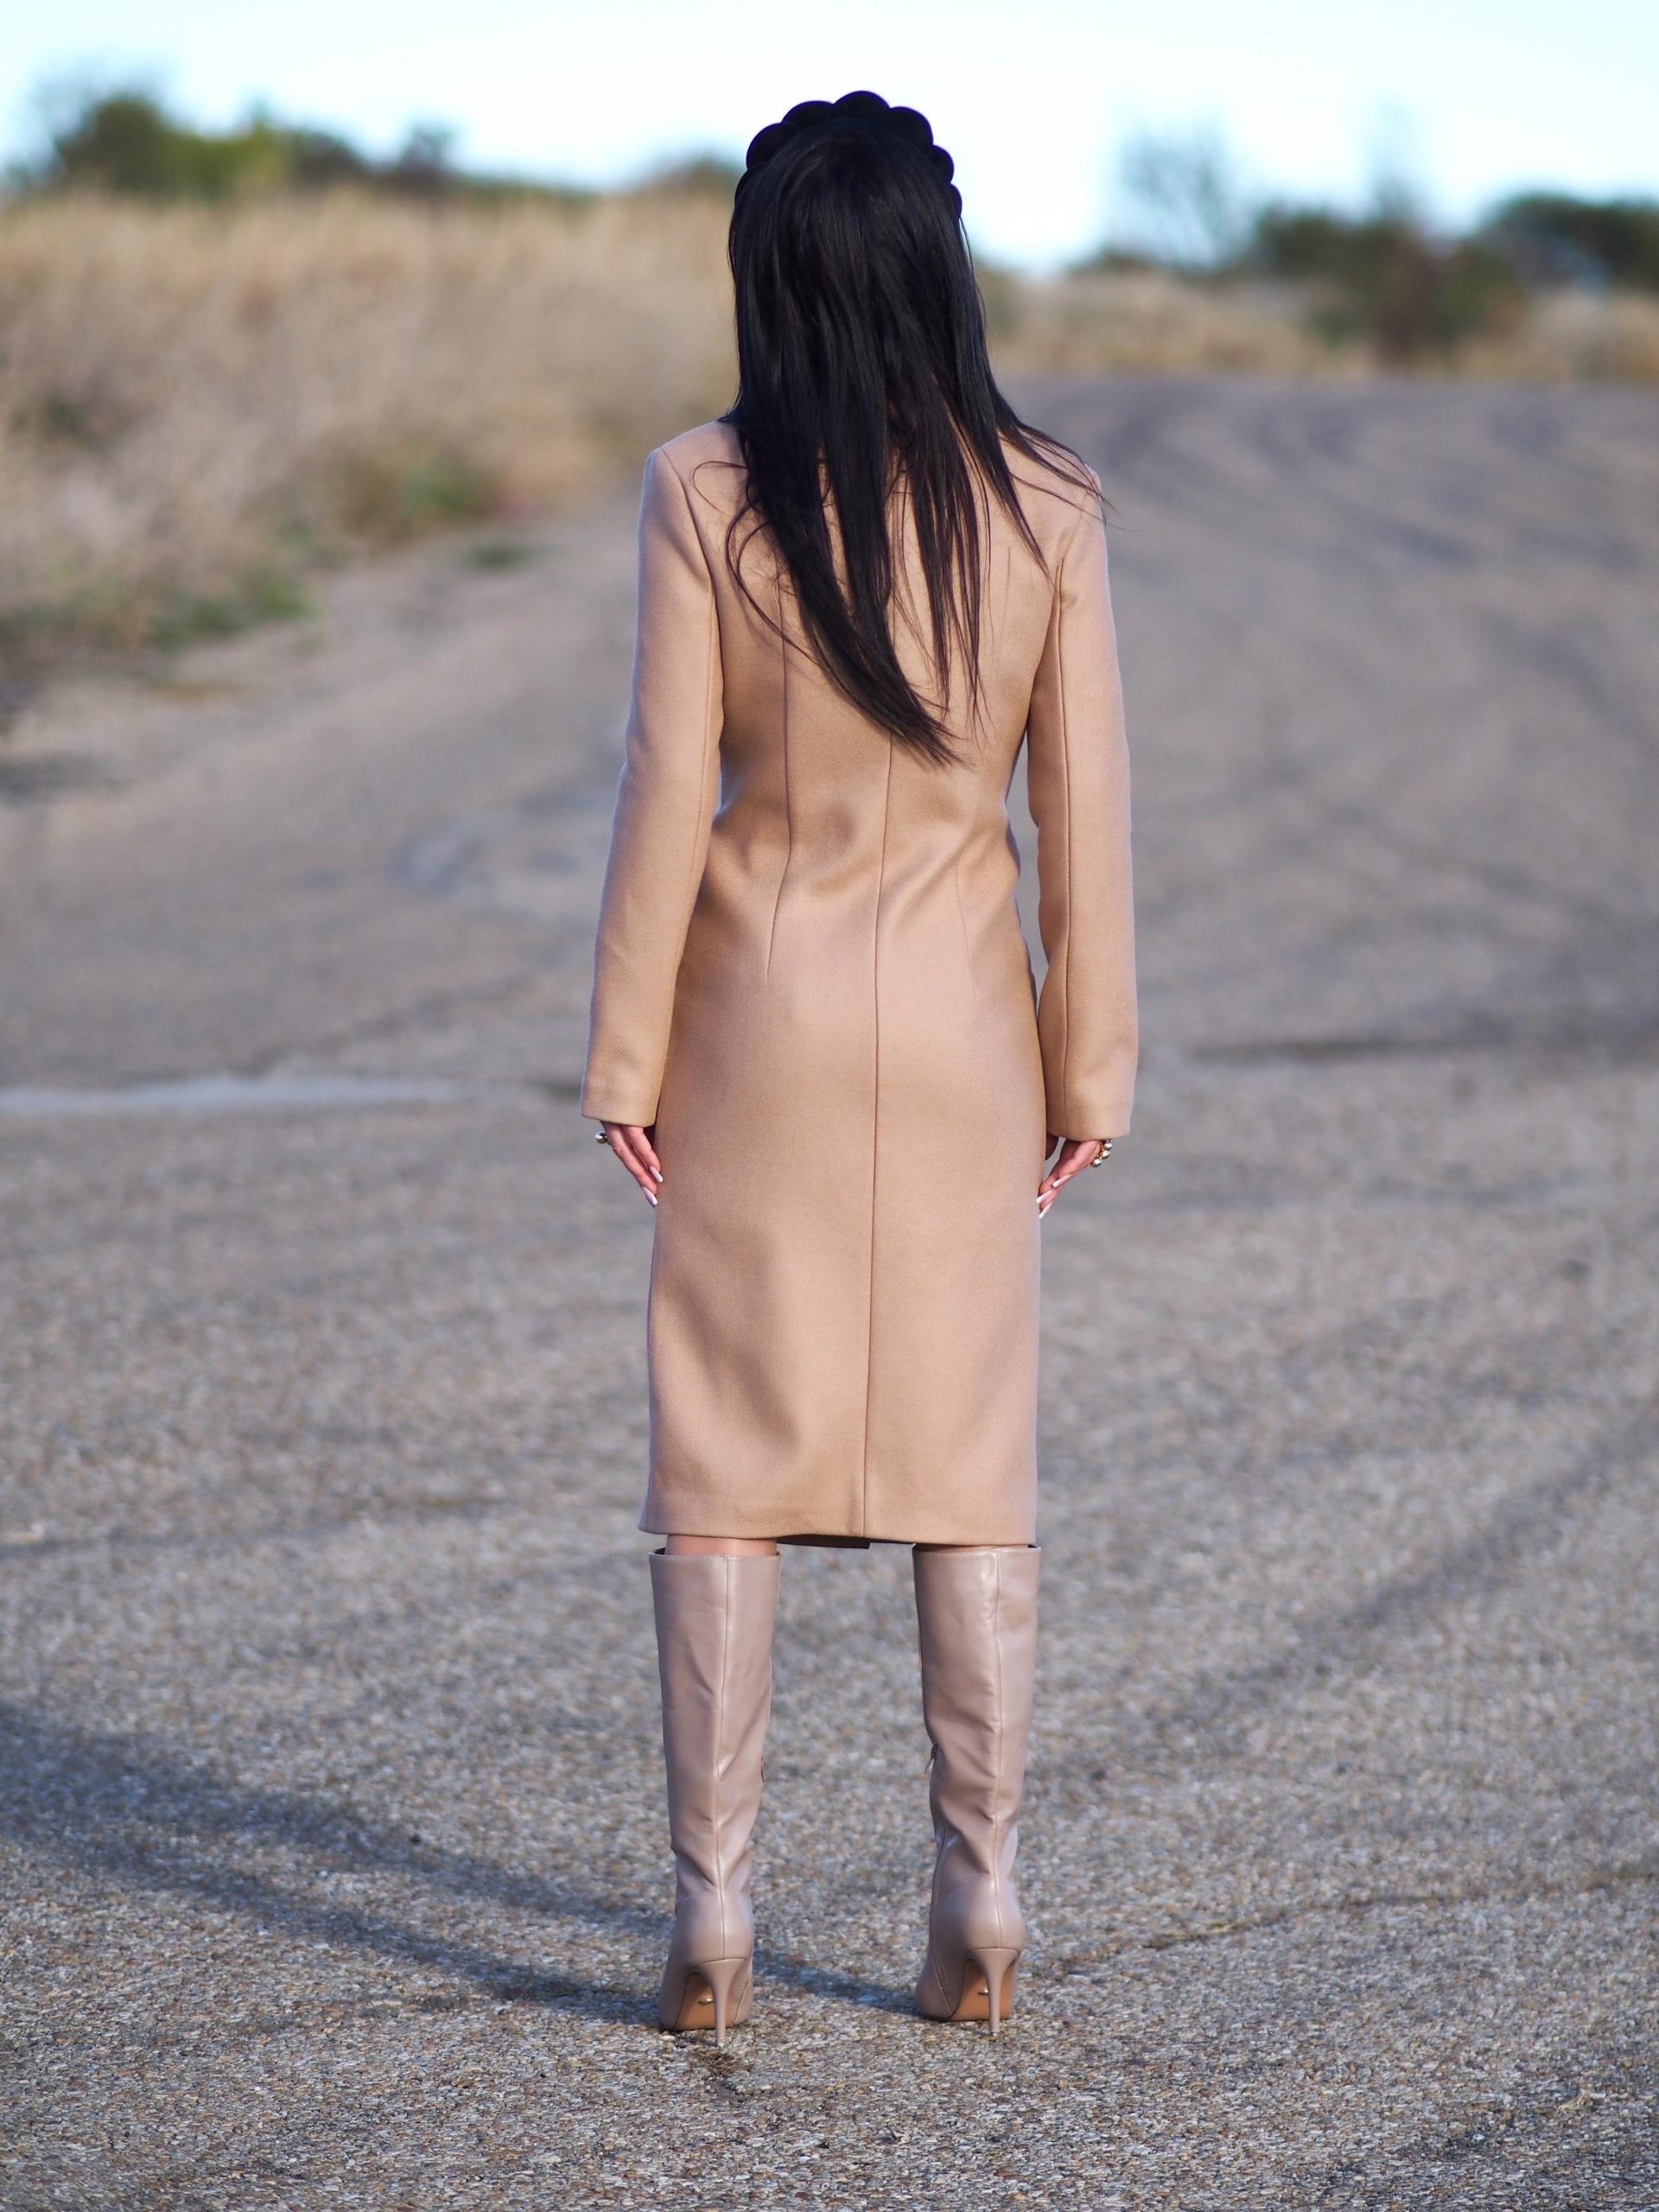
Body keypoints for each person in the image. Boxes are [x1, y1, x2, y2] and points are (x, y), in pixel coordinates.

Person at [582, 90, 1136, 2044]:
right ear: (936, 268)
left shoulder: (704, 489)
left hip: (757, 1026)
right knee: (970, 1458)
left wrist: (624, 1052)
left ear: (771, 273)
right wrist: (1090, 1068)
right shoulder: (1046, 501)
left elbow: (666, 789)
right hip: (968, 1035)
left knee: (722, 1459)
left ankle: (715, 1911)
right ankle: (980, 1884)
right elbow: (1083, 814)